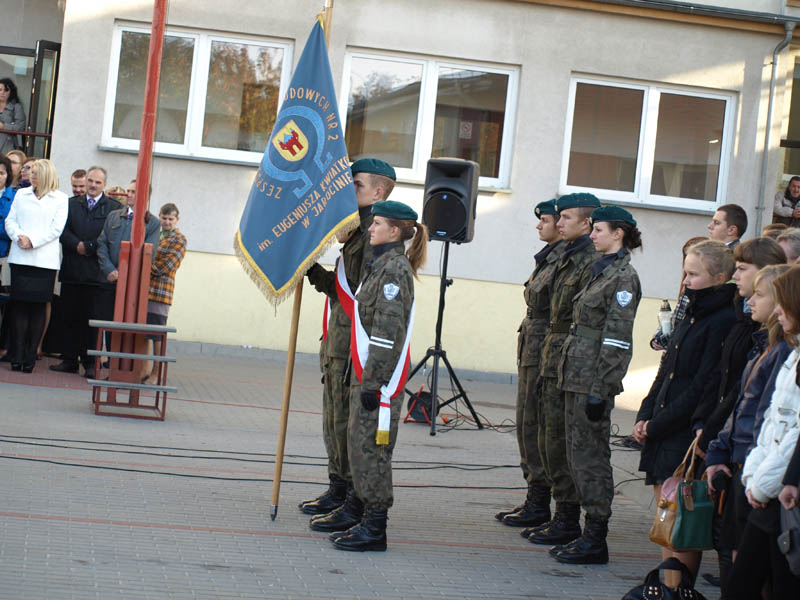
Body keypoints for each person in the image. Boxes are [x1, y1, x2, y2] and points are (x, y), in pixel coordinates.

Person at [634, 240, 737, 585]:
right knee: (666, 520)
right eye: (685, 273)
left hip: (680, 432)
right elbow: (667, 370)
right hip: (662, 427)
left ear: (719, 277)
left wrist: (657, 425)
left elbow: (702, 385)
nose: (686, 280)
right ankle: (669, 587)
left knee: (681, 523)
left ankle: (678, 588)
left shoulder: (723, 319)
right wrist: (644, 415)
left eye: (694, 274)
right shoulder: (691, 309)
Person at [304, 158, 396, 532]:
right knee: (335, 419)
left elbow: (363, 299)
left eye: (356, 185)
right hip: (339, 342)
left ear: (378, 192)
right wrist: (311, 270)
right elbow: (343, 292)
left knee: (349, 424)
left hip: (355, 347)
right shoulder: (357, 233)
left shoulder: (374, 239)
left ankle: (352, 498)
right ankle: (338, 488)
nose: (348, 190)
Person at [330, 200, 427, 552]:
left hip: (378, 379)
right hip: (367, 373)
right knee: (360, 445)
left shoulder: (394, 271)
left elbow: (387, 334)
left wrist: (374, 382)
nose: (370, 228)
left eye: (377, 224)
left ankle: (374, 528)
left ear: (395, 231)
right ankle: (360, 514)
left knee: (373, 450)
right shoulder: (381, 265)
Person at [550, 205, 642, 565]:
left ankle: (595, 537)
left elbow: (617, 339)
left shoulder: (623, 277)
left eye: (599, 230)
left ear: (618, 233)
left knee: (591, 458)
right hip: (576, 374)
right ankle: (580, 530)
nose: (593, 235)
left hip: (592, 379)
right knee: (576, 454)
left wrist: (601, 389)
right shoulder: (600, 268)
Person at [704, 264, 792, 596]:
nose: (750, 302)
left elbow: (773, 423)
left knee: (754, 570)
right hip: (748, 465)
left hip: (761, 474)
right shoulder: (764, 346)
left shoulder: (783, 353)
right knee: (737, 558)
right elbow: (741, 405)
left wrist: (757, 477)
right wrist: (718, 449)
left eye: (759, 295)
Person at [524, 192, 600, 547]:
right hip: (549, 351)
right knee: (540, 432)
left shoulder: (589, 260)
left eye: (565, 217)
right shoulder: (567, 255)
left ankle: (566, 517)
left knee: (558, 438)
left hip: (568, 358)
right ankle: (551, 509)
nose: (558, 222)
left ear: (587, 223)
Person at [724, 267, 800, 598]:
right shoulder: (793, 355)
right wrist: (755, 477)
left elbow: (793, 435)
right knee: (742, 583)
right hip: (767, 486)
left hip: (780, 491)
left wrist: (762, 483)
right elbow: (770, 423)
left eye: (784, 303)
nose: (778, 312)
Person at [495, 199, 564, 529]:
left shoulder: (564, 260)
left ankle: (541, 502)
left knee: (537, 426)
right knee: (526, 423)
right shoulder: (549, 257)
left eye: (545, 220)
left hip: (545, 351)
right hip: (533, 348)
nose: (539, 225)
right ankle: (535, 497)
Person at [50, 166, 116, 378]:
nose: (93, 185)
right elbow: (61, 230)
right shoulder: (70, 204)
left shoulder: (112, 208)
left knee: (91, 322)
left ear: (104, 184)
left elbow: (109, 236)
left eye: (98, 182)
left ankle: (90, 364)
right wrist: (76, 244)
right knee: (69, 317)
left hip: (95, 275)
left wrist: (89, 247)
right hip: (72, 270)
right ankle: (69, 360)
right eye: (90, 181)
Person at [3, 159, 67, 372]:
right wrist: (19, 236)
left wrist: (33, 241)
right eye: (31, 173)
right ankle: (18, 354)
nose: (32, 176)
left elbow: (56, 229)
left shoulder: (60, 198)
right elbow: (10, 221)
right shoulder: (22, 194)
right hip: (20, 257)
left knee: (38, 307)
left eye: (36, 173)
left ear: (46, 175)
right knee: (19, 305)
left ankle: (31, 355)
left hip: (44, 262)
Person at [96, 179, 160, 331]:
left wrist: (125, 274)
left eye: (134, 192)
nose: (129, 195)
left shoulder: (152, 223)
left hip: (132, 286)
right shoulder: (114, 216)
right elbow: (102, 243)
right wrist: (109, 269)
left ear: (145, 196)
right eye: (128, 191)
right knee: (104, 326)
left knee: (124, 329)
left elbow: (148, 254)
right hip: (109, 281)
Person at [143, 203, 186, 385]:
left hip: (161, 293)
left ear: (177, 220)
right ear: (159, 217)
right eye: (164, 218)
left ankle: (157, 373)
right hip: (145, 291)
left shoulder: (179, 239)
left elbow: (166, 266)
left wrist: (144, 266)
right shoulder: (156, 234)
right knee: (145, 332)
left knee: (157, 334)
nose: (167, 222)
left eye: (170, 219)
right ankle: (144, 370)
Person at [650, 236, 707, 351]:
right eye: (685, 257)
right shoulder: (687, 283)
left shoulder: (700, 289)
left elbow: (686, 325)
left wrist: (665, 340)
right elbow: (676, 317)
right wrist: (658, 337)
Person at [0, 79, 26, 156]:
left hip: (7, 148)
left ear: (11, 92)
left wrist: (4, 126)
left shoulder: (16, 107)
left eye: (6, 90)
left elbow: (21, 127)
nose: (2, 92)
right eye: (0, 90)